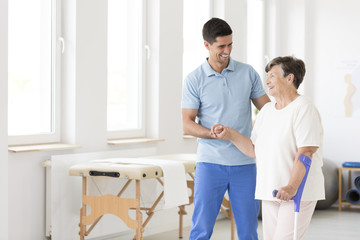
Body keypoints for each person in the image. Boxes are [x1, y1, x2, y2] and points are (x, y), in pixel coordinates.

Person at [212, 56, 325, 240]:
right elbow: (254, 150)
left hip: (296, 192)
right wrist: (229, 134)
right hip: (270, 190)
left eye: (272, 76)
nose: (267, 81)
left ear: (290, 78)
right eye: (267, 76)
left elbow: (306, 152)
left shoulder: (304, 108)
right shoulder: (267, 111)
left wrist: (291, 187)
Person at [181, 17, 270, 240]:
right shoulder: (194, 79)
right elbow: (187, 123)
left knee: (249, 230)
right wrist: (209, 132)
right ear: (206, 45)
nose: (227, 50)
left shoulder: (248, 73)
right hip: (210, 163)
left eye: (230, 44)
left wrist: (257, 133)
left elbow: (268, 112)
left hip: (245, 163)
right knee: (201, 229)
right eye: (221, 46)